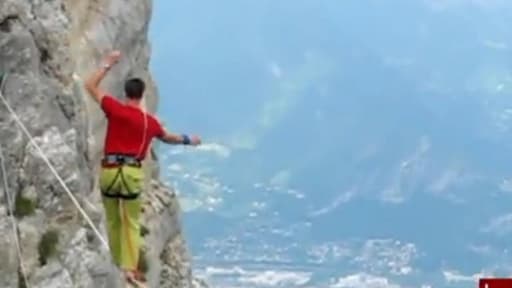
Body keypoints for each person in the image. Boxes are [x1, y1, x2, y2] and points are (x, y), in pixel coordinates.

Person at [84, 50, 201, 284]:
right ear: (142, 95)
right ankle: (129, 268)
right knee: (131, 221)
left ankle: (116, 261)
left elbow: (90, 85)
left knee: (113, 219)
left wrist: (107, 65)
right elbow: (169, 138)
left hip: (109, 171)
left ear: (126, 94)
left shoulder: (116, 110)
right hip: (130, 174)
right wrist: (189, 140)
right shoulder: (150, 123)